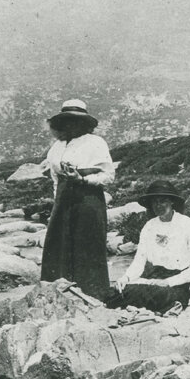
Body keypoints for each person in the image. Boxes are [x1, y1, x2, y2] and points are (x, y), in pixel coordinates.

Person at [40, 99, 115, 302]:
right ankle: (60, 294)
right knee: (59, 243)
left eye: (75, 121)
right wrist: (57, 201)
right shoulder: (57, 146)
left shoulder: (96, 143)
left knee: (88, 242)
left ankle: (92, 293)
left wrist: (82, 179)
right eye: (66, 120)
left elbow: (108, 176)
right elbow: (55, 178)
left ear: (84, 123)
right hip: (64, 200)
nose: (70, 125)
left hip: (88, 198)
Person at [107, 180, 190, 313]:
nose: (158, 205)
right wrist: (125, 278)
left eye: (163, 201)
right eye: (155, 202)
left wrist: (168, 282)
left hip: (176, 283)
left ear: (172, 202)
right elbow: (139, 261)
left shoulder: (189, 225)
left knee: (159, 295)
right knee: (115, 291)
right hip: (151, 279)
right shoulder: (149, 226)